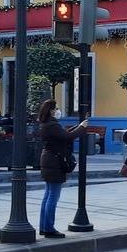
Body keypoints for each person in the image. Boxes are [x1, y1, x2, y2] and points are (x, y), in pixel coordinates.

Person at [37, 99, 89, 238]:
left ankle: (44, 226)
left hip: (48, 160)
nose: (59, 110)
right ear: (52, 110)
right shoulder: (52, 125)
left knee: (48, 195)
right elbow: (68, 137)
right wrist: (82, 127)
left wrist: (77, 127)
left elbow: (63, 135)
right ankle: (49, 228)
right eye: (57, 108)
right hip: (54, 163)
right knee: (53, 196)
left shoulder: (46, 124)